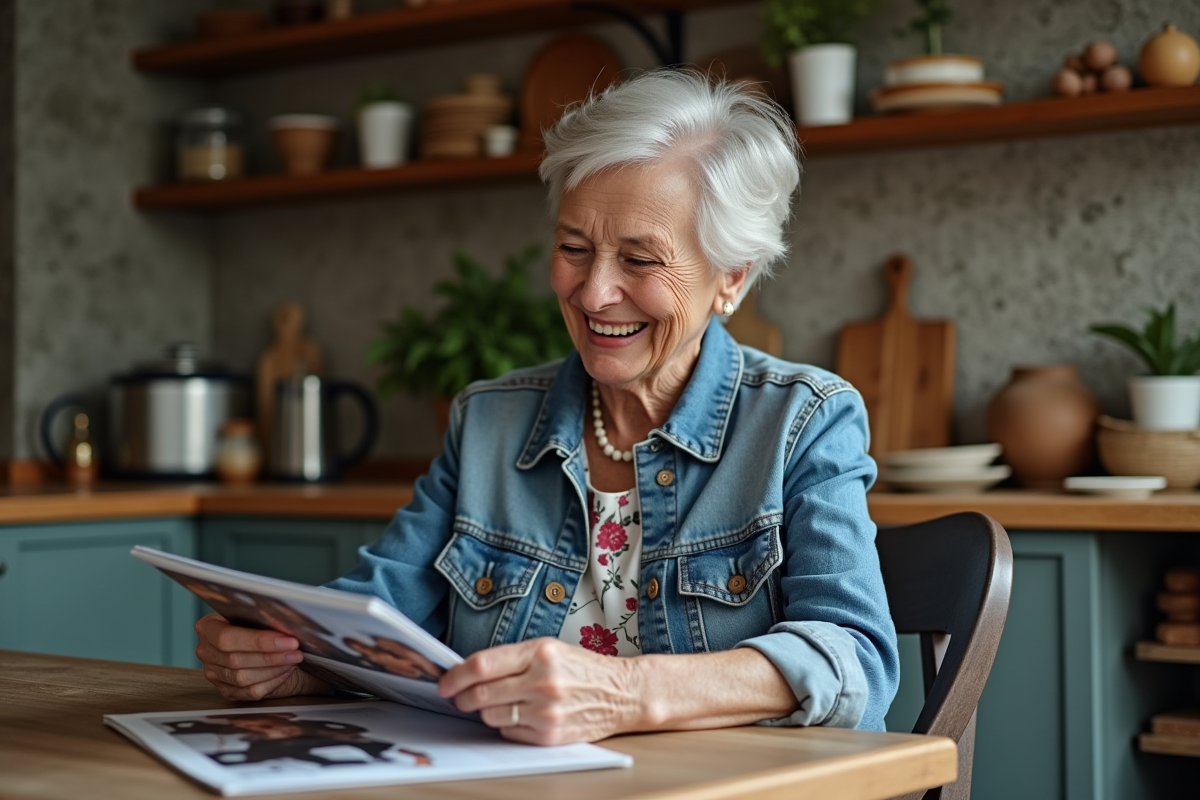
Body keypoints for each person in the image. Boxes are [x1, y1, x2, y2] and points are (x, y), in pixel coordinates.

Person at [195, 68, 899, 746]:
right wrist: (288, 665)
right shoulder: (488, 422)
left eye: (640, 260)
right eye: (573, 247)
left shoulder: (804, 421)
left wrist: (626, 692)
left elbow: (856, 660)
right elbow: (375, 620)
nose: (593, 293)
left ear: (732, 277)